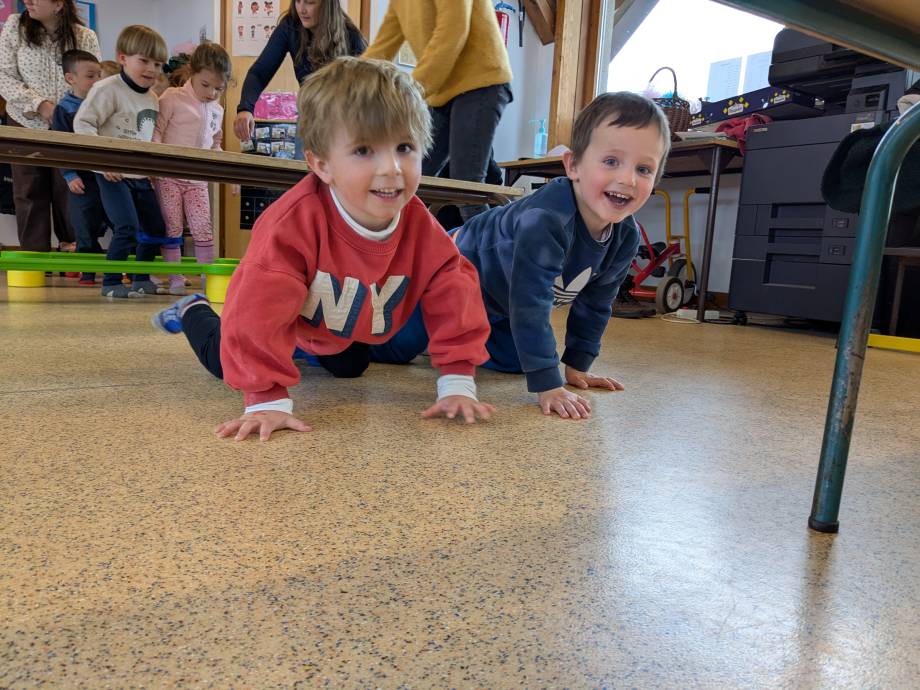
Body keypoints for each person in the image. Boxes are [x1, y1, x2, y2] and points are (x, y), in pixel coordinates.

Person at [151, 57, 495, 440]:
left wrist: (457, 381)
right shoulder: (291, 226)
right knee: (226, 362)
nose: (392, 169)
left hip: (332, 325)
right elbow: (257, 310)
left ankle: (298, 348)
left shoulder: (419, 225)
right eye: (364, 150)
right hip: (276, 314)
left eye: (404, 147)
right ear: (322, 164)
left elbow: (454, 290)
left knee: (352, 367)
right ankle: (193, 310)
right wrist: (266, 399)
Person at [372, 92, 671, 420]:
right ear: (573, 165)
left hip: (499, 301)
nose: (628, 179)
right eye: (611, 162)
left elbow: (596, 304)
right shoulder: (546, 219)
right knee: (394, 348)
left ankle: (460, 338)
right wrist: (549, 386)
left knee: (519, 362)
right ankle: (349, 334)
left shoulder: (625, 236)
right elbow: (530, 305)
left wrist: (576, 367)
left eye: (644, 169)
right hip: (445, 275)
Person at [363, 0, 512, 221]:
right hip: (443, 91)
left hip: (481, 81)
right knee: (414, 177)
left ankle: (489, 243)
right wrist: (347, 83)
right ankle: (407, 240)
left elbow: (453, 31)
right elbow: (381, 49)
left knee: (466, 185)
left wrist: (410, 91)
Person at [73, 25, 169, 298]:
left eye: (157, 64)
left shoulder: (152, 98)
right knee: (126, 227)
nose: (151, 69)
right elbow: (83, 124)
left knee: (155, 228)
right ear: (123, 58)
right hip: (112, 175)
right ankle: (111, 282)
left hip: (140, 176)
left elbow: (147, 137)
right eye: (144, 61)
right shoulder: (107, 89)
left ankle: (141, 278)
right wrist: (104, 162)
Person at [0, 0, 100, 252]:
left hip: (71, 126)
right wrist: (40, 104)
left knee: (72, 190)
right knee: (29, 192)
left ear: (58, 4)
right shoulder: (15, 26)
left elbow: (96, 83)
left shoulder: (85, 36)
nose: (28, 1)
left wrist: (70, 113)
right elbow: (3, 75)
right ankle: (34, 259)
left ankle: (75, 254)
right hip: (25, 122)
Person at [233, 0, 366, 157]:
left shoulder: (351, 35)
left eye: (310, 2)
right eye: (297, 1)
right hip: (309, 118)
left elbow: (368, 91)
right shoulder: (290, 26)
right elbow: (259, 73)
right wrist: (245, 108)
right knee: (304, 169)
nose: (302, 9)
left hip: (345, 121)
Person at [152, 42, 231, 295]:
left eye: (218, 88)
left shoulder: (217, 110)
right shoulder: (172, 98)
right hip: (168, 177)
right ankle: (175, 278)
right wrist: (153, 167)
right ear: (192, 73)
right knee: (173, 227)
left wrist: (228, 172)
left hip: (197, 179)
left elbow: (215, 144)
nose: (211, 93)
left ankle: (208, 279)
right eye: (205, 85)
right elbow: (157, 132)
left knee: (203, 228)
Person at [50, 48, 105, 285]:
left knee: (114, 221)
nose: (97, 80)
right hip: (81, 179)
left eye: (99, 75)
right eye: (90, 76)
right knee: (84, 227)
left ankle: (122, 270)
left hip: (105, 175)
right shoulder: (64, 109)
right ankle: (88, 272)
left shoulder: (103, 103)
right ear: (70, 78)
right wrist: (70, 175)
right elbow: (60, 147)